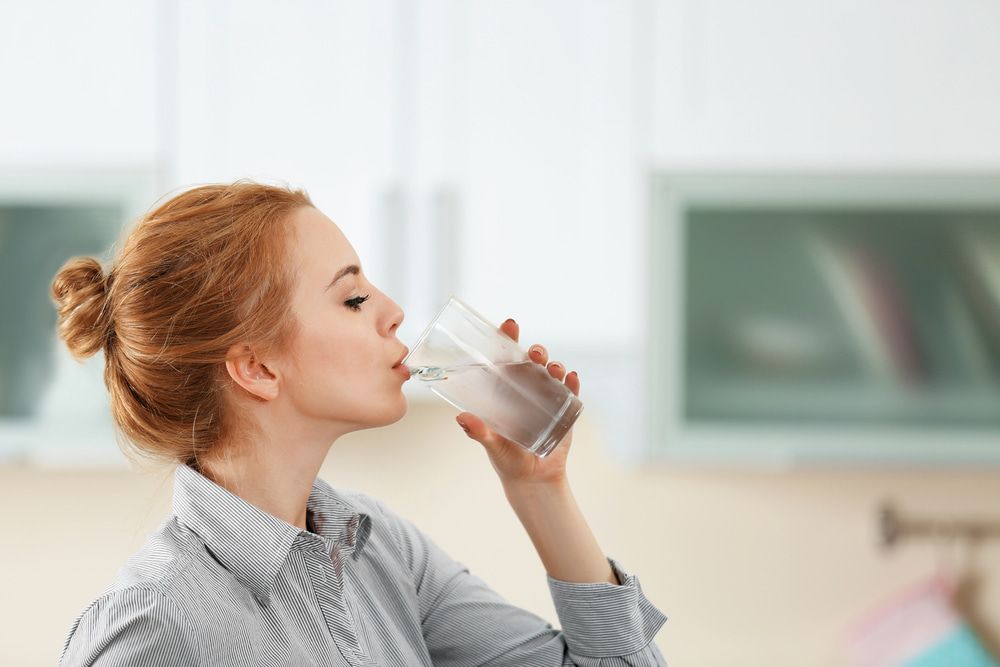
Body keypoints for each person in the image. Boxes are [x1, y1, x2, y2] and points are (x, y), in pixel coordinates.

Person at [51, 181, 668, 666]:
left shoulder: (379, 551)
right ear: (256, 367)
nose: (395, 311)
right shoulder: (154, 626)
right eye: (352, 299)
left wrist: (541, 490)